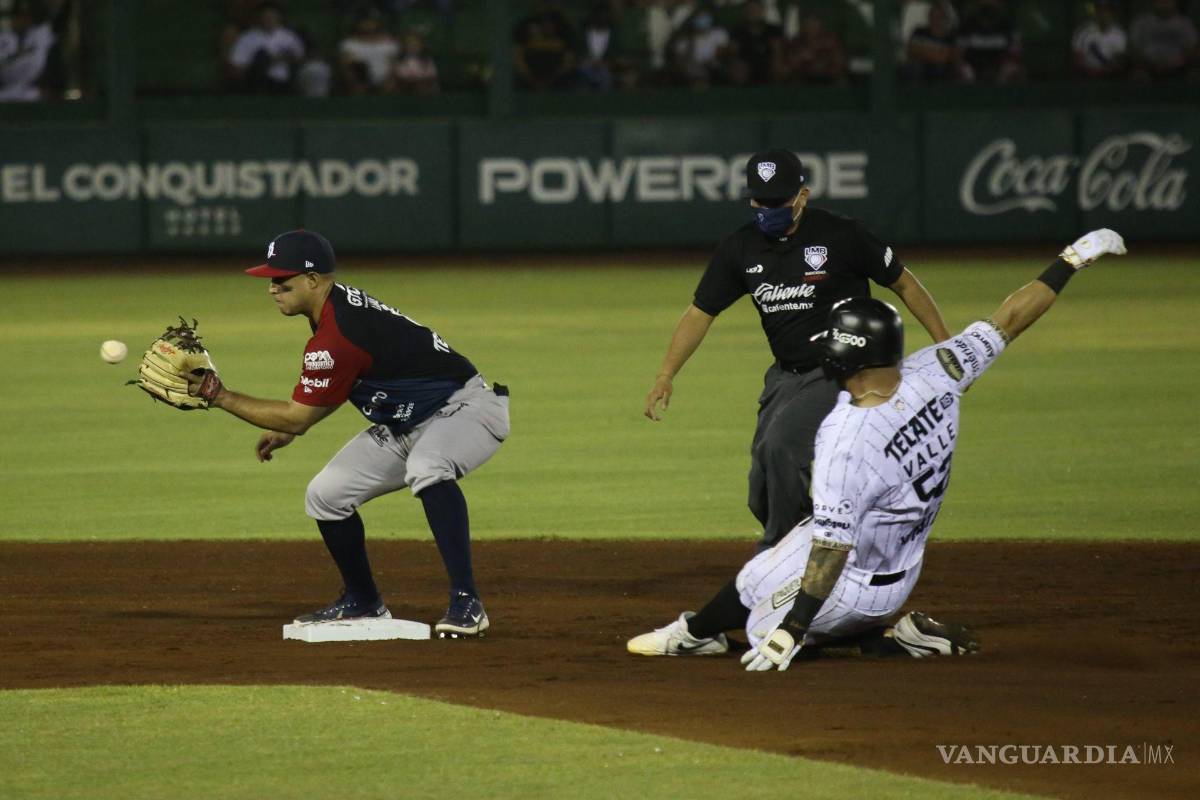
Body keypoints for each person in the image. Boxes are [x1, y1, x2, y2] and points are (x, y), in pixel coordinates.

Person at [630, 229, 1128, 670]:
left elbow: (831, 550)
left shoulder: (848, 437)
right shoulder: (941, 370)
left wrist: (793, 629)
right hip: (901, 555)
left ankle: (896, 641)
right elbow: (1010, 319)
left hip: (863, 583)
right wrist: (1070, 260)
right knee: (755, 575)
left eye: (834, 346)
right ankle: (696, 634)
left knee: (763, 627)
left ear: (855, 360)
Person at [194, 230, 509, 637]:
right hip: (407, 422)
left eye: (282, 280)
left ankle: (467, 603)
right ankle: (363, 602)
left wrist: (220, 396)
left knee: (428, 466)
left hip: (466, 410)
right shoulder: (335, 311)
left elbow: (298, 415)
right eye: (270, 280)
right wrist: (290, 429)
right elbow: (340, 385)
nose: (272, 288)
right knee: (326, 495)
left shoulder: (338, 332)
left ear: (313, 279)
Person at [645, 149, 950, 551]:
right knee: (762, 490)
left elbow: (904, 283)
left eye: (778, 201)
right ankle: (829, 543)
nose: (767, 209)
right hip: (784, 377)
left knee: (782, 447)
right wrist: (666, 374)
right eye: (760, 201)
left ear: (802, 195)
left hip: (842, 373)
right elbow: (702, 311)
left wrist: (947, 344)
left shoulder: (843, 235)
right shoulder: (740, 248)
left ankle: (782, 560)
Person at [226, 1, 305, 93]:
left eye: (272, 16)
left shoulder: (290, 37)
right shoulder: (247, 38)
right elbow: (237, 65)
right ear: (260, 17)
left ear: (279, 17)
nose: (269, 19)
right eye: (266, 16)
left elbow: (300, 58)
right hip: (257, 83)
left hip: (284, 82)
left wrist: (283, 58)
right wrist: (261, 63)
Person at [0, 0, 56, 102]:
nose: (19, 20)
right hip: (6, 89)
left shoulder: (43, 37)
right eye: (18, 16)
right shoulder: (6, 36)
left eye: (25, 17)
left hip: (31, 91)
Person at [956, 0, 1023, 84]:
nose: (989, 3)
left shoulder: (1009, 25)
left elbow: (1015, 51)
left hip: (1000, 70)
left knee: (1011, 69)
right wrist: (961, 66)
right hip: (972, 69)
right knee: (963, 70)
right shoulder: (967, 25)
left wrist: (1009, 65)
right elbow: (959, 53)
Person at [1130, 0, 1199, 81]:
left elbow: (1192, 49)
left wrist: (1178, 63)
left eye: (1167, 1)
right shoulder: (1142, 23)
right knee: (1137, 75)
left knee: (1195, 75)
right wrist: (1149, 64)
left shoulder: (1185, 24)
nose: (1164, 4)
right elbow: (1134, 48)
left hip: (1180, 68)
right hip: (1148, 68)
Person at [338, 6, 400, 95]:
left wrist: (390, 81)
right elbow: (346, 68)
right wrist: (355, 83)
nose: (368, 25)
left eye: (371, 21)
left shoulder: (389, 42)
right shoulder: (349, 44)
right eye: (364, 22)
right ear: (358, 23)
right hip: (359, 84)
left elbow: (394, 65)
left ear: (377, 23)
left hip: (386, 84)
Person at [1071, 0, 1127, 81]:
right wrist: (1091, 72)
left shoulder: (1120, 34)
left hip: (1111, 78)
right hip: (1086, 77)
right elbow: (1077, 62)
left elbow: (1119, 62)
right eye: (1100, 10)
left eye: (1107, 10)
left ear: (1112, 13)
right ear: (1095, 12)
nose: (1103, 14)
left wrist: (1107, 70)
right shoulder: (1083, 31)